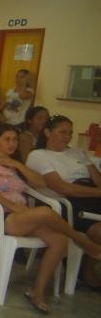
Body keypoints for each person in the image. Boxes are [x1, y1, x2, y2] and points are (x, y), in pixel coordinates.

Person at [0, 123, 101, 311]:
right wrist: (11, 205)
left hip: (23, 216)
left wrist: (17, 164)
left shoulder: (15, 165)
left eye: (15, 140)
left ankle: (38, 290)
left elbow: (40, 182)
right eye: (7, 139)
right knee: (45, 212)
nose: (12, 144)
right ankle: (80, 240)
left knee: (59, 240)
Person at [26, 115, 101, 289]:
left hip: (91, 198)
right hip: (66, 204)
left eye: (70, 133)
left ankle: (85, 269)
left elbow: (98, 180)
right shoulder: (39, 155)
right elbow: (61, 187)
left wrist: (88, 163)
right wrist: (98, 193)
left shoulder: (77, 152)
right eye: (62, 132)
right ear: (47, 132)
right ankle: (86, 271)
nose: (67, 137)